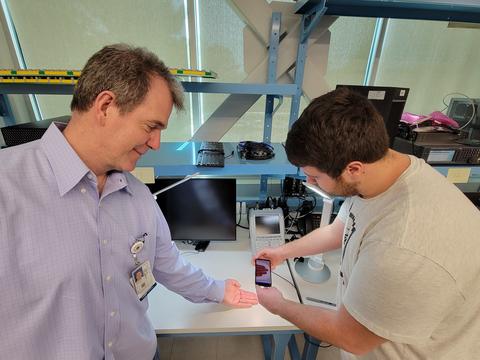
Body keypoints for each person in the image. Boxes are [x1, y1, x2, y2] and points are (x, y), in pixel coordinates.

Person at [0, 44, 257, 360]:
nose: (156, 143)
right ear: (106, 106)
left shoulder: (137, 195)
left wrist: (217, 289)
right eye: (151, 127)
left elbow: (167, 264)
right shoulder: (7, 186)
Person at [254, 88, 480, 359]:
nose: (310, 183)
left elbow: (352, 337)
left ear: (353, 169)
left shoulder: (401, 246)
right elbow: (341, 228)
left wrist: (279, 305)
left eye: (314, 176)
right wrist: (282, 252)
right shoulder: (385, 173)